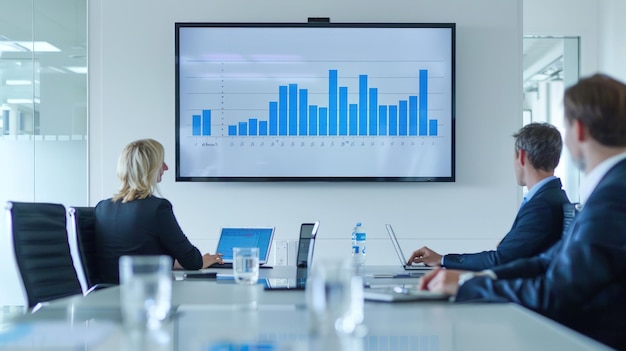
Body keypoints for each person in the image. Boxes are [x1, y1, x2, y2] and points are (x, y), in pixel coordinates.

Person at [419, 74, 626, 350]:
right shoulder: (610, 187)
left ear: (578, 130)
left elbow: (555, 293)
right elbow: (547, 261)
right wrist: (474, 277)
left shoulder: (613, 196)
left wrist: (467, 287)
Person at [408, 123, 570, 271]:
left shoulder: (541, 205)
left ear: (521, 156)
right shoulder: (551, 196)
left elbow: (500, 260)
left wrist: (443, 260)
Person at [94, 139, 223, 284]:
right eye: (161, 162)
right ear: (149, 168)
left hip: (105, 297)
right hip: (148, 296)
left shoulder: (102, 208)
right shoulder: (157, 208)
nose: (166, 167)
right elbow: (191, 260)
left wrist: (173, 262)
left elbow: (134, 253)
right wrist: (201, 260)